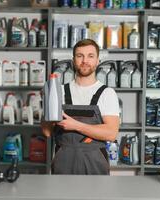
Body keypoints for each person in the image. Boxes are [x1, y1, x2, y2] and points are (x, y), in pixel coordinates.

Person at [42, 39, 120, 175]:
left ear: (97, 61)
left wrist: (76, 125)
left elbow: (111, 133)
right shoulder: (58, 91)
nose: (85, 61)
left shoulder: (107, 93)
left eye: (90, 56)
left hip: (95, 162)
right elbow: (47, 132)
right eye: (80, 56)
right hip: (63, 160)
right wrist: (47, 104)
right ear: (73, 60)